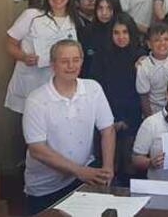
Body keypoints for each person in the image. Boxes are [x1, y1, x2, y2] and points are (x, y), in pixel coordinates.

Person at [22, 40, 115, 214]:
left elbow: (108, 130)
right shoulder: (36, 100)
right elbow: (37, 149)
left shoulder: (93, 88)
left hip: (83, 179)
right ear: (53, 64)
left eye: (76, 60)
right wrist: (79, 171)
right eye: (64, 61)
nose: (71, 66)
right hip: (45, 188)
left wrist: (107, 168)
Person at [5, 0, 80, 114]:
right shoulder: (32, 16)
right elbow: (9, 44)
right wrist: (23, 57)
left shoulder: (74, 20)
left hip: (60, 84)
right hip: (32, 82)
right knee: (33, 127)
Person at [90, 13, 146, 184]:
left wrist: (126, 118)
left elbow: (139, 93)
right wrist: (113, 118)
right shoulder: (101, 56)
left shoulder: (141, 55)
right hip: (107, 117)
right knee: (109, 165)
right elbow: (98, 90)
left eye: (125, 32)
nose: (121, 37)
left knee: (130, 164)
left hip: (133, 115)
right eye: (116, 33)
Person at [78, 0, 122, 78]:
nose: (104, 13)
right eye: (100, 8)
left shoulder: (122, 30)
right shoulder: (86, 32)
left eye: (109, 8)